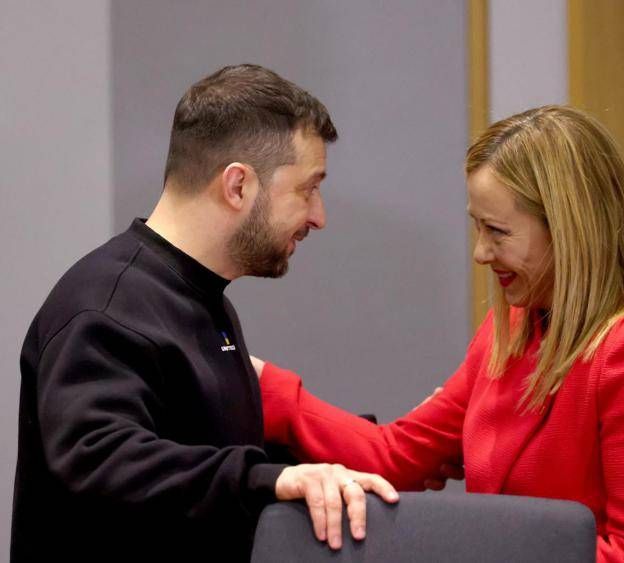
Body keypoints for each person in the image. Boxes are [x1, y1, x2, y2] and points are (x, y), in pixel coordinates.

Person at [255, 105, 624, 562]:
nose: (480, 252)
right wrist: (259, 382)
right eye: (477, 226)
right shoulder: (508, 331)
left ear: (570, 231)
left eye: (497, 231)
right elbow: (394, 455)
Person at [11, 64, 398, 563]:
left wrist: (320, 470)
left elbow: (204, 454)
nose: (318, 216)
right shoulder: (106, 307)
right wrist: (268, 479)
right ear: (237, 186)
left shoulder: (202, 302)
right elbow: (100, 459)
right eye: (308, 188)